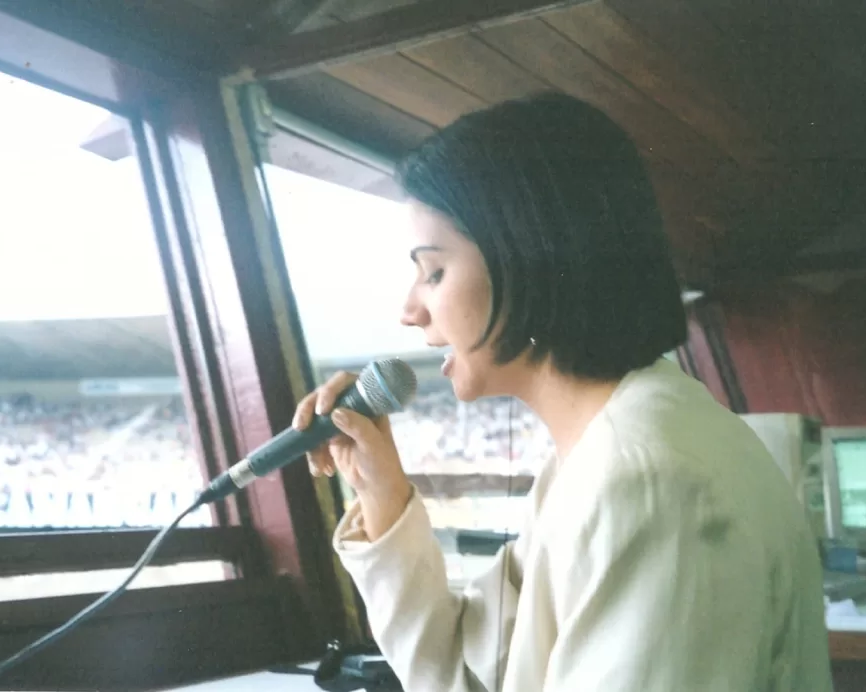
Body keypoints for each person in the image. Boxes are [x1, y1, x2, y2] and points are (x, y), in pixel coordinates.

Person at [292, 93, 832, 691]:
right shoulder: (601, 455)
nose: (410, 310)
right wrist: (381, 495)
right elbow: (469, 671)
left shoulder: (645, 481)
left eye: (434, 272)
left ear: (529, 256)